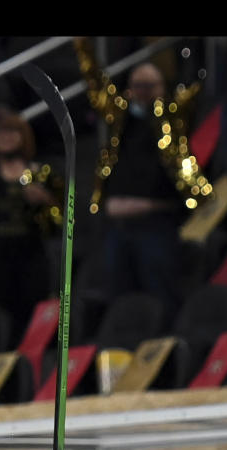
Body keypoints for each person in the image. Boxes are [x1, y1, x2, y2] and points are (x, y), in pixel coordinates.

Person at [75, 38, 211, 316]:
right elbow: (96, 85)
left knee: (161, 296)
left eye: (150, 86)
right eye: (138, 86)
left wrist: (189, 46)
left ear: (163, 88)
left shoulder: (173, 117)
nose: (143, 93)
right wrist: (83, 45)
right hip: (118, 228)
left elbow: (196, 81)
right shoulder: (121, 117)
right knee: (119, 301)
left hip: (156, 225)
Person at [0, 105, 62, 345]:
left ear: (23, 137)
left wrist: (44, 199)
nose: (6, 139)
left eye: (12, 133)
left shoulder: (40, 172)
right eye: (0, 135)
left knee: (31, 319)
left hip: (32, 257)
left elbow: (61, 217)